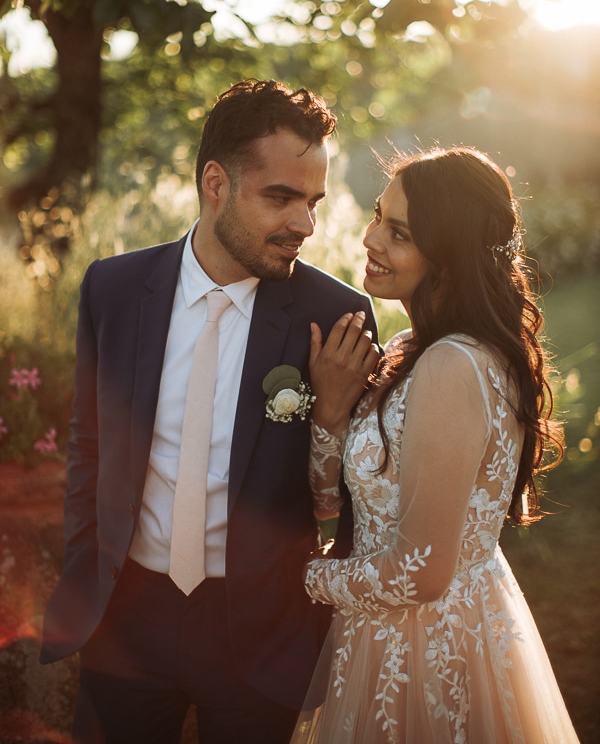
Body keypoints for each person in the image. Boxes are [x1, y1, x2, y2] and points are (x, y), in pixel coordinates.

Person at [39, 79, 379, 744]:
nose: (304, 224)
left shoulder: (335, 317)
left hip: (262, 634)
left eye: (312, 201)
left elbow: (359, 498)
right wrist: (90, 568)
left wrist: (334, 418)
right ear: (215, 184)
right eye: (280, 197)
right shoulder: (111, 290)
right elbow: (90, 445)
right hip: (126, 619)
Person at [293, 146, 579, 743]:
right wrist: (330, 410)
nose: (370, 238)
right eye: (378, 215)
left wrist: (302, 578)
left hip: (432, 643)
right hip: (380, 632)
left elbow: (420, 573)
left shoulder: (453, 365)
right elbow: (331, 501)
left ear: (447, 258)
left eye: (398, 234)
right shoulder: (407, 350)